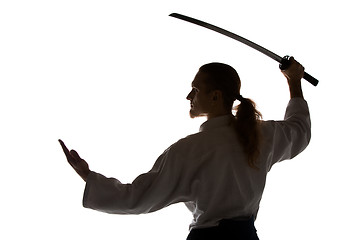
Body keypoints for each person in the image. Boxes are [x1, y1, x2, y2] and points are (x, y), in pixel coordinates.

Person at [59, 57, 311, 240]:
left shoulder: (187, 151)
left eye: (195, 89)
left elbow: (136, 198)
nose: (188, 96)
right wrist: (294, 81)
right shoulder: (262, 134)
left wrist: (87, 175)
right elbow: (299, 130)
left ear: (215, 96)